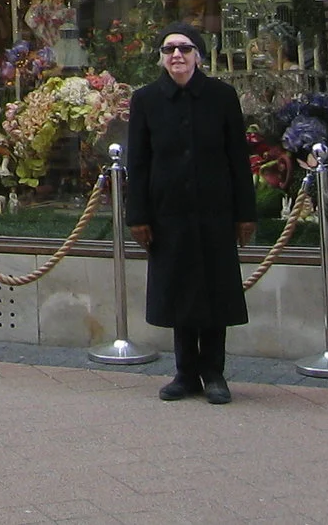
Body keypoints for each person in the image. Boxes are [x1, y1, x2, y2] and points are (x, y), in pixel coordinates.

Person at [126, 22, 254, 403]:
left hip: (215, 211)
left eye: (184, 48)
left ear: (198, 55)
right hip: (169, 214)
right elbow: (139, 161)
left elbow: (238, 157)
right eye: (169, 50)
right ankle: (185, 373)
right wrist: (138, 216)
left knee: (214, 292)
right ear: (161, 58)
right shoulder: (146, 100)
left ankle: (213, 372)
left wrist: (245, 213)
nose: (177, 55)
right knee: (178, 292)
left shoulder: (222, 97)